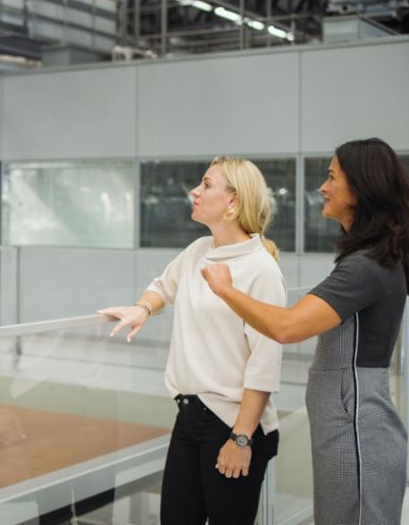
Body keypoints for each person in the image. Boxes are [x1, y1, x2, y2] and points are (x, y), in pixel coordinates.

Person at [200, 138, 409, 525]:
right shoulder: (370, 258)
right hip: (348, 419)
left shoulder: (367, 266)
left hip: (356, 424)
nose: (323, 186)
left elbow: (287, 327)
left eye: (333, 177)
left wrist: (225, 290)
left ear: (361, 188)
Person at [98, 156, 286, 525]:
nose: (194, 192)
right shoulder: (199, 251)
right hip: (190, 414)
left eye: (206, 184)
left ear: (233, 201)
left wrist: (241, 440)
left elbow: (264, 364)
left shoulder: (261, 269)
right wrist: (142, 309)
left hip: (235, 424)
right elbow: (162, 288)